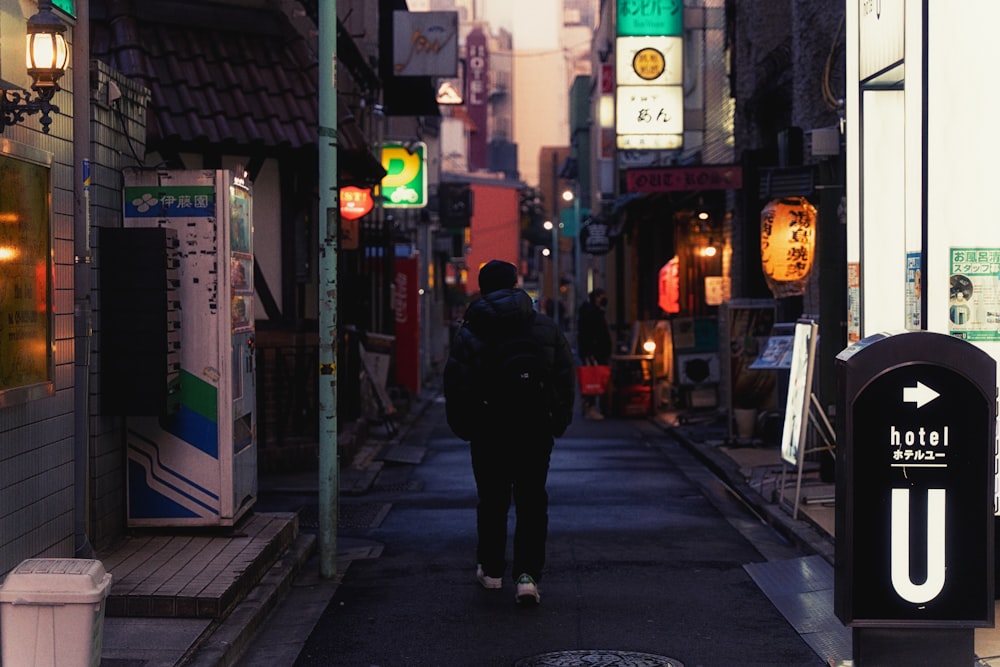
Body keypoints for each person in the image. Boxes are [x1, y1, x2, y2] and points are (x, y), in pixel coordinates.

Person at [443, 259, 575, 607]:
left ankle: (491, 571)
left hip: (489, 427)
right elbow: (564, 376)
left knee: (493, 500)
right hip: (535, 426)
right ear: (516, 284)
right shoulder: (544, 326)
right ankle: (528, 577)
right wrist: (557, 419)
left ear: (483, 288)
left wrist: (465, 426)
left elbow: (456, 382)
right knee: (532, 499)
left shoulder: (472, 330)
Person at [577, 288, 612, 419]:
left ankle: (589, 407)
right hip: (594, 352)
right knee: (592, 379)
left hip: (594, 351)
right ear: (597, 297)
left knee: (593, 378)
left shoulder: (591, 311)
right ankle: (590, 408)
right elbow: (589, 333)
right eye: (602, 297)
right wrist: (589, 352)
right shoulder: (592, 312)